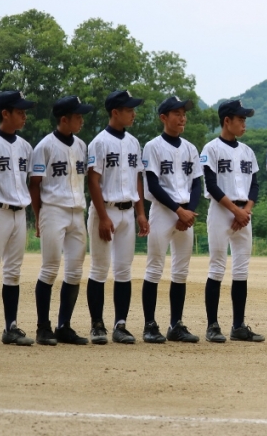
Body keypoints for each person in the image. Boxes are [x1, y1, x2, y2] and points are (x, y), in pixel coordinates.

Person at [86, 90, 150, 345]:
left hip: (127, 211)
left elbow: (137, 178)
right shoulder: (99, 142)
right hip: (106, 210)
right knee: (100, 268)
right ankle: (97, 325)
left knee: (124, 270)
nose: (133, 113)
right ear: (115, 112)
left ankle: (120, 325)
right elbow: (93, 180)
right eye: (129, 109)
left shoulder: (134, 142)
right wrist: (102, 217)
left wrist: (141, 213)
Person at [29, 96, 93, 346]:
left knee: (75, 271)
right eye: (77, 116)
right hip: (53, 210)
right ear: (64, 119)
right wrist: (39, 217)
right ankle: (43, 328)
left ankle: (64, 326)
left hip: (77, 212)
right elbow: (35, 185)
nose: (81, 120)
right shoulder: (44, 146)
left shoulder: (81, 145)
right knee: (50, 268)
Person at [200, 100, 264, 343]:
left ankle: (238, 326)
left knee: (241, 269)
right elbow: (211, 185)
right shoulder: (211, 149)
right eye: (240, 119)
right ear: (227, 121)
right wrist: (235, 211)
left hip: (243, 214)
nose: (244, 123)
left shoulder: (247, 151)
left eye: (245, 119)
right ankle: (212, 326)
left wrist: (245, 210)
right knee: (217, 267)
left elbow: (255, 185)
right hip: (221, 211)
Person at [141, 96, 203, 344]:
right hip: (163, 212)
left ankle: (176, 325)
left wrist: (189, 212)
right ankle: (149, 325)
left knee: (181, 271)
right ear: (163, 118)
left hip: (185, 215)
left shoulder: (190, 148)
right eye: (177, 113)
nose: (182, 117)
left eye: (184, 113)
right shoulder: (153, 146)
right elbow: (153, 185)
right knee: (154, 268)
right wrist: (179, 211)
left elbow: (197, 184)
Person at [0, 90, 36, 347]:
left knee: (13, 272)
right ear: (5, 113)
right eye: (19, 111)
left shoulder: (25, 147)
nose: (24, 116)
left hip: (19, 213)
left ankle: (11, 327)